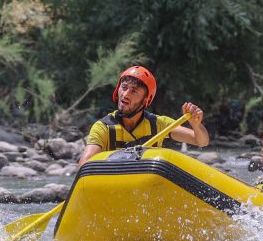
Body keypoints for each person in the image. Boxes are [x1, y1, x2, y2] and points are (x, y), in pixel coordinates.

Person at [78, 65, 209, 166]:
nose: (125, 94)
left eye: (134, 91)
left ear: (145, 100)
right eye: (124, 87)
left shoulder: (159, 124)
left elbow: (201, 141)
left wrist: (196, 125)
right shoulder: (103, 128)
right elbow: (84, 166)